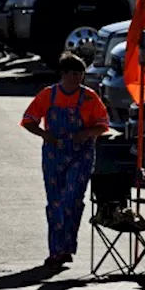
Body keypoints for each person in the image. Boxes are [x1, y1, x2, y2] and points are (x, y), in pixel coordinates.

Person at [20, 54, 110, 266]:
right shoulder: (47, 96)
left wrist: (86, 133)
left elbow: (102, 124)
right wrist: (45, 135)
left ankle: (67, 246)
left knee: (72, 200)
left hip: (82, 154)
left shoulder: (89, 97)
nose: (77, 78)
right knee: (55, 202)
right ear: (63, 74)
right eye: (73, 74)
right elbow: (28, 121)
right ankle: (57, 251)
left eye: (80, 74)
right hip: (54, 154)